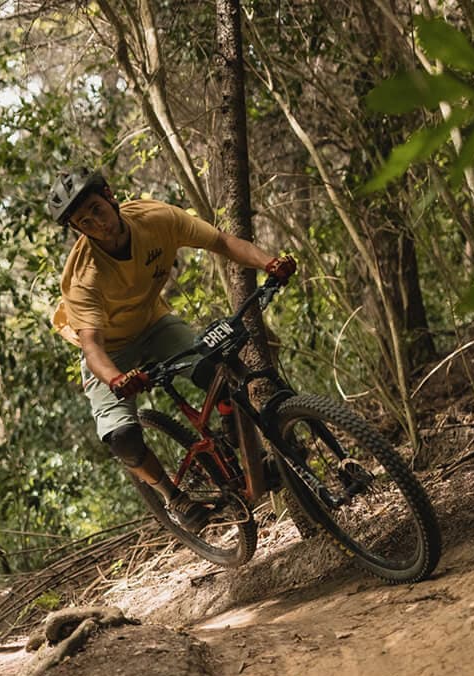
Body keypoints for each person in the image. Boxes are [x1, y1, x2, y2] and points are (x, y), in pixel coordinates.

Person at [48, 167, 294, 532]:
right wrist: (117, 380)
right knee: (123, 439)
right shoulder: (84, 277)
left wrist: (269, 263)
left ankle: (246, 456)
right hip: (110, 352)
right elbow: (93, 347)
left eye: (97, 210)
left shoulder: (155, 218)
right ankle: (174, 498)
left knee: (217, 374)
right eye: (85, 222)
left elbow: (223, 243)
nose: (97, 224)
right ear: (78, 230)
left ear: (110, 196)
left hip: (153, 323)